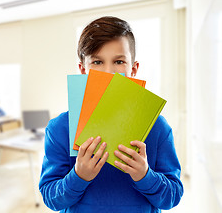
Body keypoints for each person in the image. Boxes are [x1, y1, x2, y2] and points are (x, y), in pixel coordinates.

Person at [39, 17, 183, 212]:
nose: (108, 72)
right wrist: (78, 176)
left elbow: (172, 197)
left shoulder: (157, 126)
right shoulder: (59, 128)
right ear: (83, 70)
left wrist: (145, 175)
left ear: (133, 69)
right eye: (97, 61)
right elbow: (51, 198)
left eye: (119, 61)